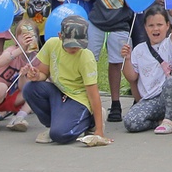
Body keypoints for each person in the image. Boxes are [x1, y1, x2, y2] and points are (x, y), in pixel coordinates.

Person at [63, 0, 134, 123]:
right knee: (88, 61)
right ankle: (88, 102)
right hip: (97, 23)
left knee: (116, 63)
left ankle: (116, 103)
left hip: (120, 25)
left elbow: (135, 4)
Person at [20, 15, 109, 145]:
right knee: (30, 89)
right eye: (70, 44)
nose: (74, 49)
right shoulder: (51, 44)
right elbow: (44, 73)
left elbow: (93, 94)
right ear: (60, 36)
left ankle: (91, 121)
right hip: (59, 92)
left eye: (78, 45)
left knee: (60, 135)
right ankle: (53, 125)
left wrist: (99, 131)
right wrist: (35, 76)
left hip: (79, 99)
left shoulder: (86, 57)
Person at [120, 0, 172, 134]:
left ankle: (170, 120)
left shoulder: (170, 44)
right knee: (130, 122)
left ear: (167, 25)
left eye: (159, 24)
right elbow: (131, 77)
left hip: (171, 96)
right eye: (151, 25)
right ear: (145, 27)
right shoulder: (139, 50)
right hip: (149, 101)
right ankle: (160, 121)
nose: (155, 29)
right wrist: (127, 59)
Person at [0, 20, 36, 133]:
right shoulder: (12, 50)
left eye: (31, 35)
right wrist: (20, 49)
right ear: (15, 39)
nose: (27, 38)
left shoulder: (35, 58)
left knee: (37, 87)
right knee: (1, 87)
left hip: (12, 98)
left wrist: (23, 76)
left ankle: (19, 117)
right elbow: (0, 62)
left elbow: (24, 88)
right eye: (23, 35)